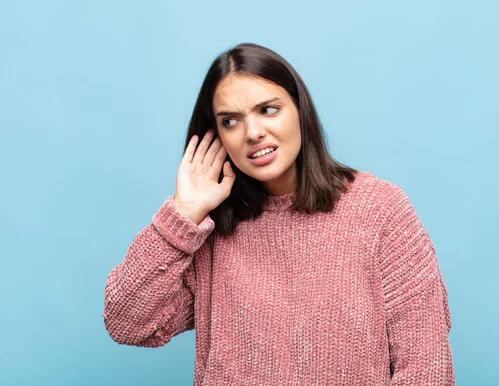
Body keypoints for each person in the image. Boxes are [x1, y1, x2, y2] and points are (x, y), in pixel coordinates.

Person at [103, 42, 455, 385]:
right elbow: (127, 322)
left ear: (300, 110)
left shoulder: (380, 209)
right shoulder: (207, 232)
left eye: (268, 109)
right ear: (216, 137)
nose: (253, 133)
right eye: (230, 121)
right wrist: (183, 215)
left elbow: (426, 369)